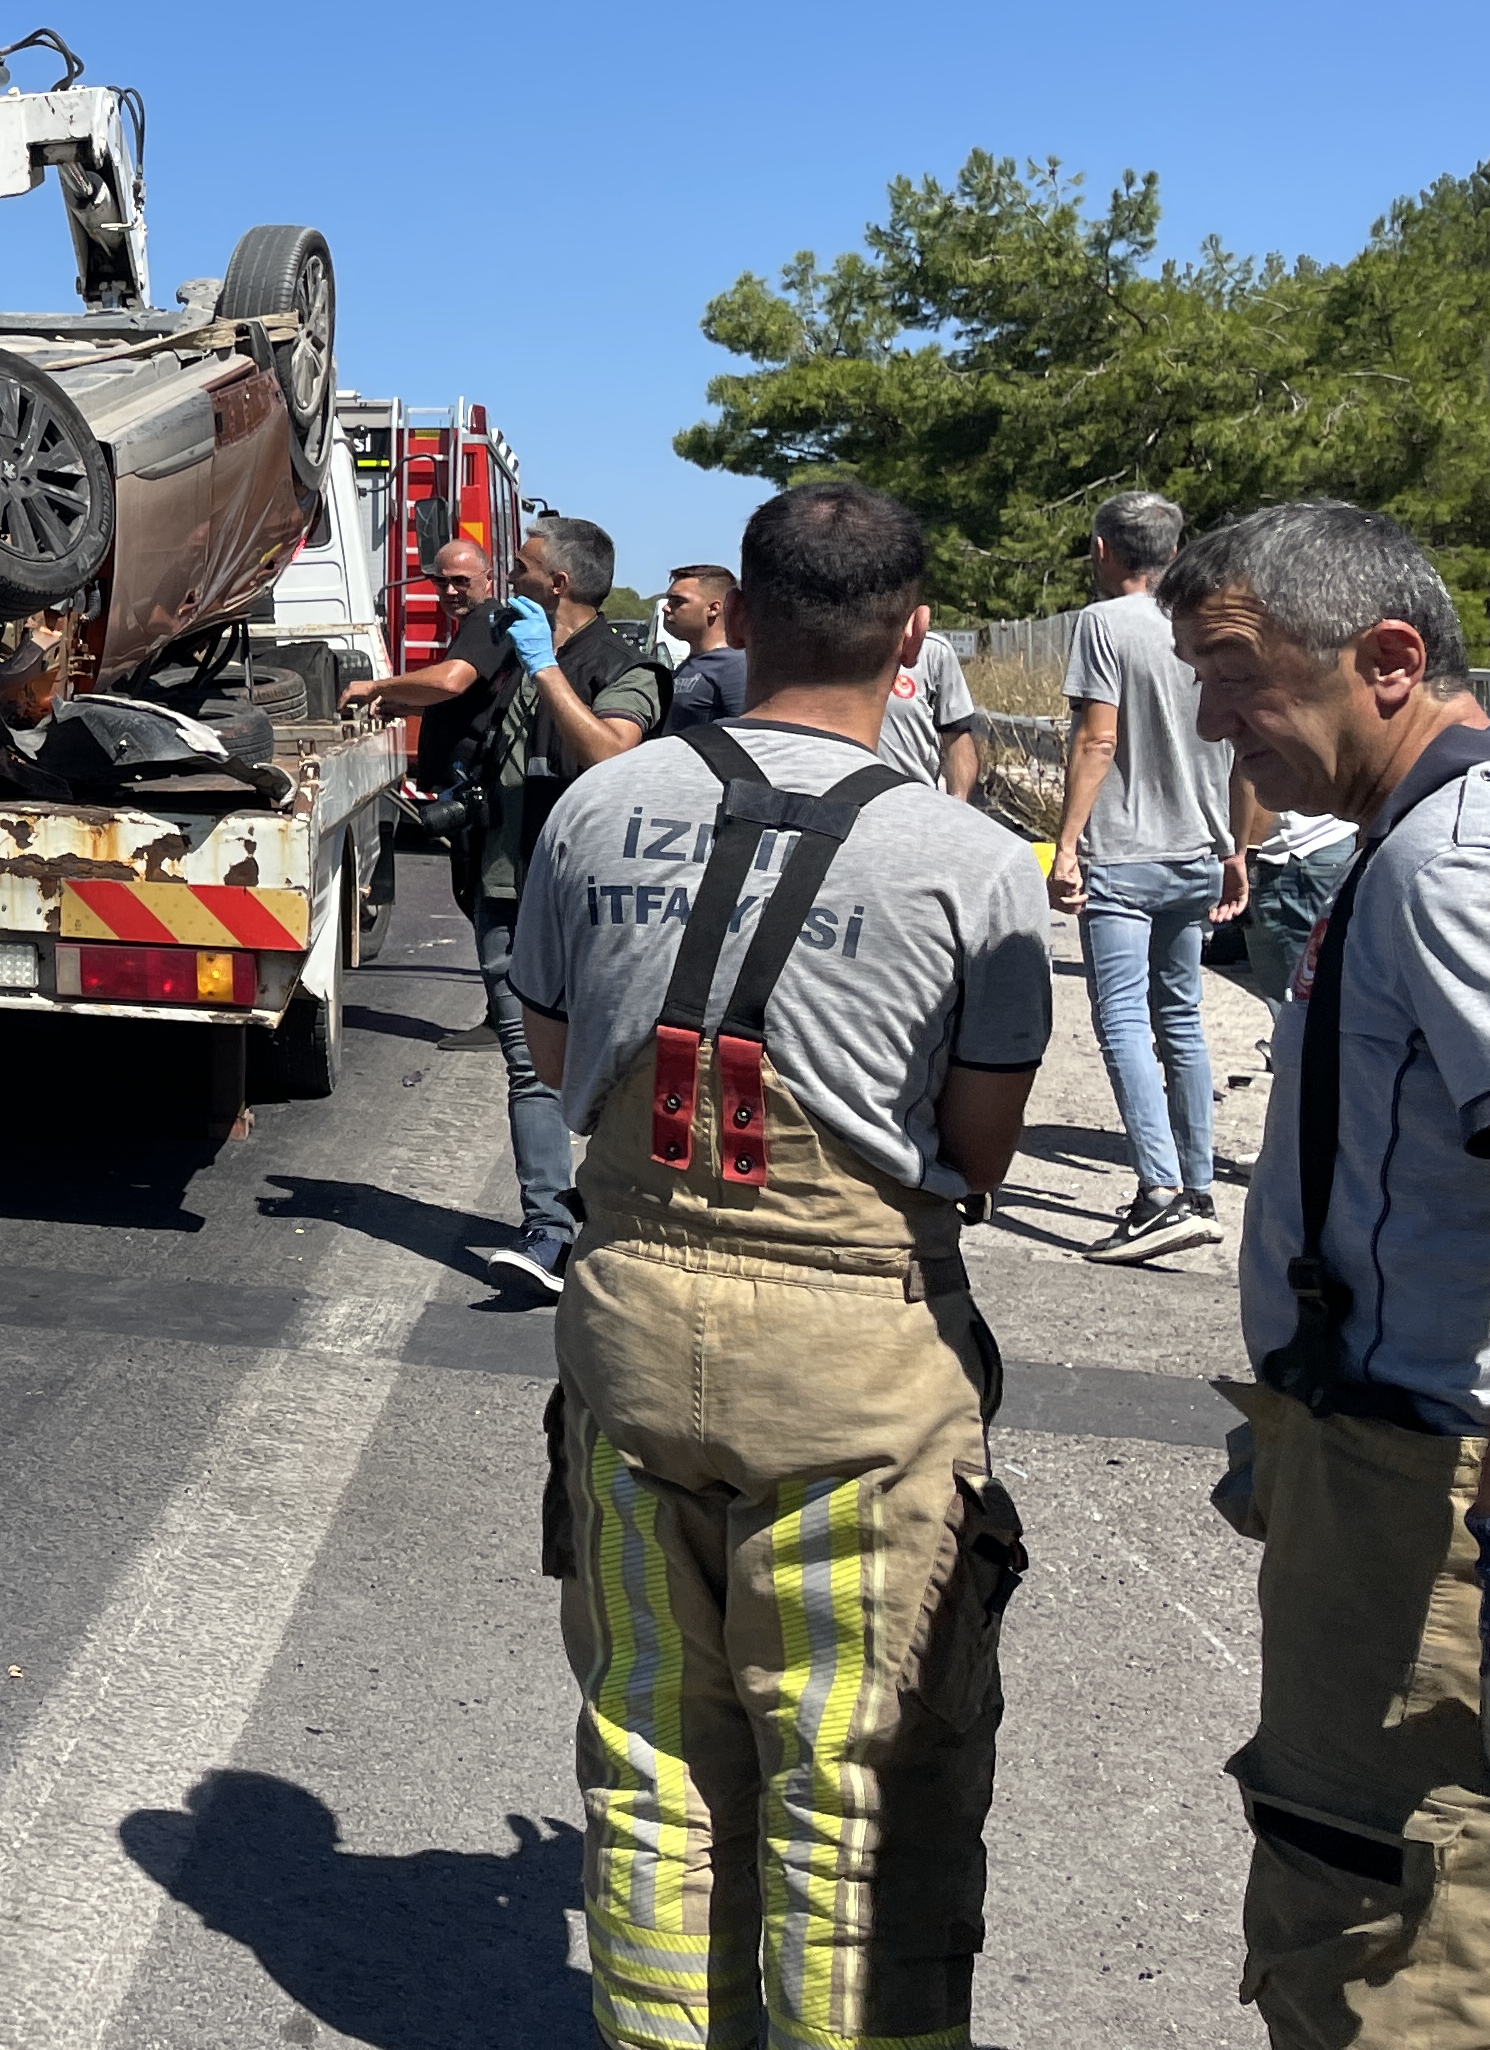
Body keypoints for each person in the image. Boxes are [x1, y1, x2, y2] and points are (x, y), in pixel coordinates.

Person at [520, 479, 1054, 2050]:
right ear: (917, 636)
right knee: (849, 1800)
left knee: (651, 1766)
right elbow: (983, 1153)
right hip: (854, 1389)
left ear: (738, 618)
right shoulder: (970, 863)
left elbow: (559, 1065)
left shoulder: (597, 810)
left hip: (624, 1349)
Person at [1161, 501, 1490, 2048]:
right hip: (1385, 1456)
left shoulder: (1462, 858)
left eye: (1236, 676)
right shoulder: (1450, 828)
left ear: (1388, 660)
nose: (1210, 721)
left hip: (1441, 1499)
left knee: (1401, 1946)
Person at [350, 520, 664, 1298]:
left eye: (520, 569)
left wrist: (545, 670)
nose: (505, 580)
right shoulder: (509, 649)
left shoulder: (628, 668)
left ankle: (621, 1220)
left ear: (558, 583)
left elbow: (612, 759)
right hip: (507, 888)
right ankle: (549, 1232)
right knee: (529, 1068)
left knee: (623, 1063)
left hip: (598, 900)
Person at [1053, 489, 1244, 1265]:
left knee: (1124, 1020)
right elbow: (1238, 740)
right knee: (1183, 1019)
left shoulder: (1103, 625)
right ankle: (1197, 1184)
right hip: (1201, 847)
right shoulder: (1206, 622)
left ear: (1105, 550)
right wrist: (1238, 846)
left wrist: (1066, 843)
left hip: (1126, 852)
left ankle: (1159, 1192)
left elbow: (1098, 740)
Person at [1228, 778, 1357, 1019]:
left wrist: (1244, 856)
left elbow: (1252, 779)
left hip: (1285, 857)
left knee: (1294, 1000)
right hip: (1332, 838)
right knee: (1332, 984)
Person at [878, 626, 987, 802]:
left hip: (915, 804)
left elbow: (956, 739)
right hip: (842, 812)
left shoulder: (932, 652)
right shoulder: (828, 647)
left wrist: (959, 804)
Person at [657, 562, 743, 735]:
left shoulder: (735, 667)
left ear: (713, 609)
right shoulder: (689, 665)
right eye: (668, 600)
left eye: (678, 601)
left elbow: (745, 736)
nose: (666, 608)